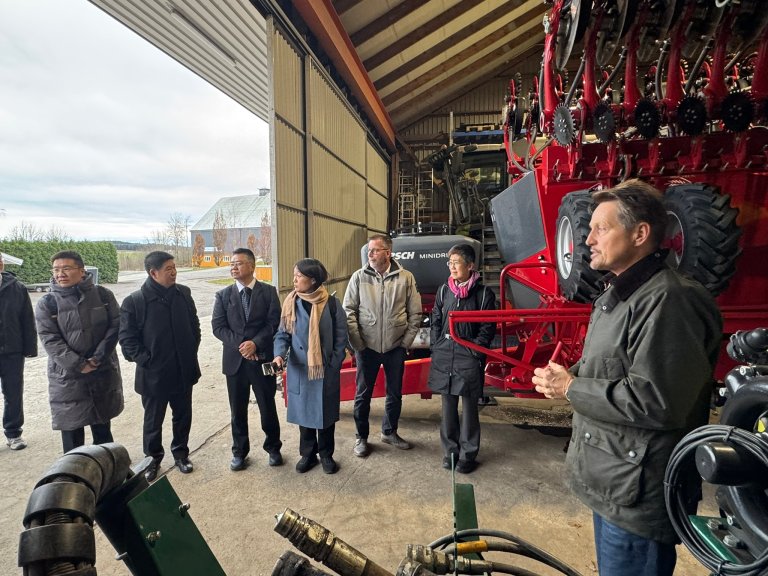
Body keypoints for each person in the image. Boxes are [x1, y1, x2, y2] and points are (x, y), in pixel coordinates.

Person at [531, 179, 722, 576]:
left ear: (640, 234)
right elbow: (607, 367)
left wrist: (571, 387)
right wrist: (568, 376)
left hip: (639, 496)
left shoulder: (670, 300)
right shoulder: (620, 297)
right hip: (616, 486)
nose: (589, 240)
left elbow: (657, 402)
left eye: (602, 228)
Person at [119, 251, 201, 481]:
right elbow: (127, 340)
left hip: (183, 371)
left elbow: (195, 327)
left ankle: (181, 454)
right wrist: (148, 361)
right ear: (153, 273)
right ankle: (152, 460)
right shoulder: (135, 302)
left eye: (174, 268)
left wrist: (189, 352)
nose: (174, 272)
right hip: (153, 376)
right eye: (168, 269)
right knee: (153, 420)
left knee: (183, 416)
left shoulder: (183, 294)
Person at [35, 251, 124, 453]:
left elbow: (115, 326)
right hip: (68, 378)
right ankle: (77, 479)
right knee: (72, 439)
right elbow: (50, 339)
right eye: (56, 270)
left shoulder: (103, 295)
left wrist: (98, 358)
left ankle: (109, 474)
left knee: (103, 431)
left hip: (101, 371)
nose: (60, 274)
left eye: (66, 268)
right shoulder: (47, 303)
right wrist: (78, 364)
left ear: (82, 271)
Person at [343, 234, 422, 457]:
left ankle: (389, 432)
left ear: (388, 253)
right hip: (366, 348)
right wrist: (357, 344)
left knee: (394, 393)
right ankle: (361, 437)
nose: (370, 254)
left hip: (395, 347)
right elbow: (349, 311)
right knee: (362, 395)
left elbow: (415, 313)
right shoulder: (359, 277)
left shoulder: (405, 278)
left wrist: (405, 343)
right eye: (369, 250)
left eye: (375, 250)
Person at [273, 259, 347, 474]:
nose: (294, 279)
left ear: (312, 279)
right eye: (294, 275)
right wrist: (278, 356)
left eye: (299, 276)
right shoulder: (291, 303)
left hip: (324, 370)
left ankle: (326, 455)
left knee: (325, 417)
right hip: (300, 369)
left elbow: (341, 338)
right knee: (304, 415)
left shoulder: (331, 304)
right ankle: (308, 454)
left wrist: (333, 364)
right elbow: (282, 334)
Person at [427, 243, 496, 474]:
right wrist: (436, 344)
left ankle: (468, 455)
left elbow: (488, 327)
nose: (452, 267)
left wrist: (475, 350)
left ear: (470, 265)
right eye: (450, 263)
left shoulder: (484, 293)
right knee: (447, 405)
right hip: (445, 353)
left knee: (469, 407)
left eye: (457, 262)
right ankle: (450, 452)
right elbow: (436, 317)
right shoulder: (444, 291)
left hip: (468, 355)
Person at [212, 248, 282, 471]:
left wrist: (256, 343)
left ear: (252, 266)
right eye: (231, 264)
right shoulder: (223, 296)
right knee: (237, 411)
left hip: (263, 360)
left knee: (267, 406)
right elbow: (218, 327)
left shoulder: (269, 292)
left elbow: (274, 323)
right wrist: (243, 345)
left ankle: (273, 448)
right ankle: (239, 452)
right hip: (235, 363)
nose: (234, 267)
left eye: (239, 263)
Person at [0, 253, 37, 451]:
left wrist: (30, 348)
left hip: (11, 351)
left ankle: (14, 433)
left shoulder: (17, 288)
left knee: (13, 394)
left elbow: (27, 320)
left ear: (1, 264)